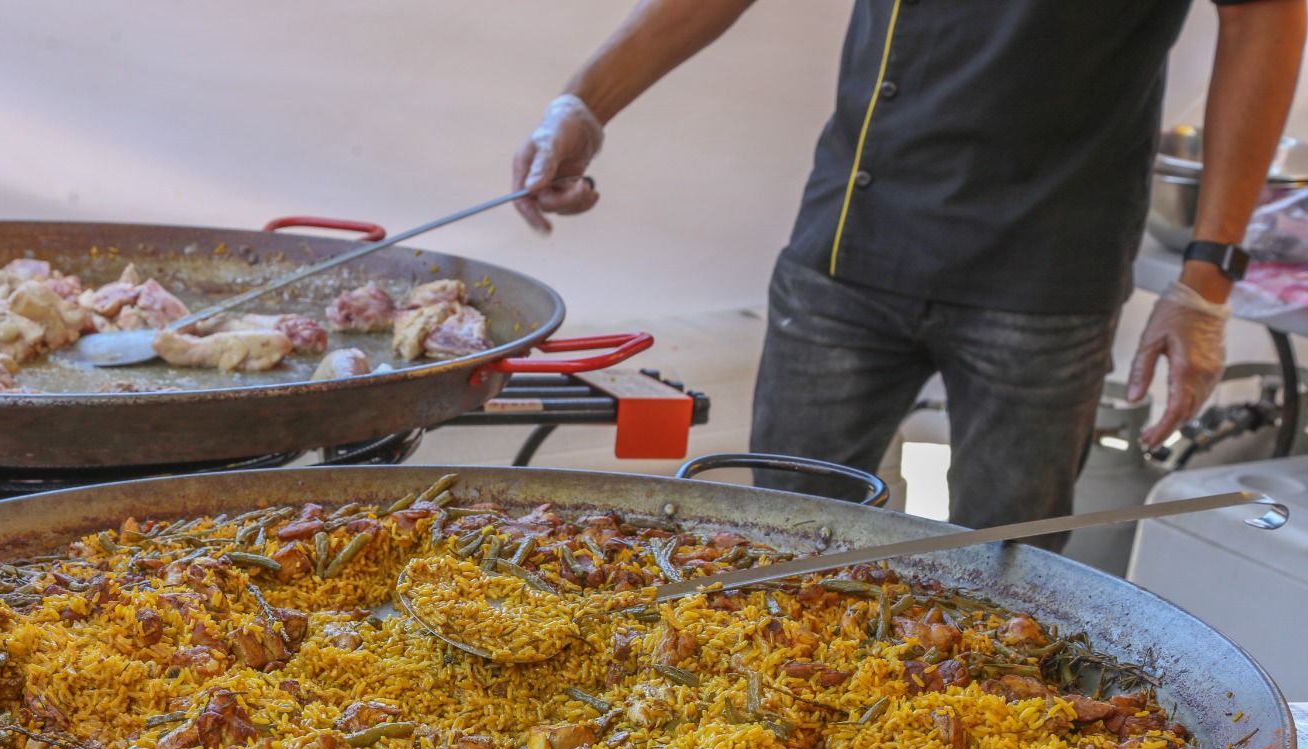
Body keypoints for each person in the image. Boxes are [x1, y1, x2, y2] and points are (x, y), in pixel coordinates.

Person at [511, 0, 1306, 547]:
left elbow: (1263, 14)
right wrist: (583, 105)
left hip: (1046, 271)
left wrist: (1207, 275)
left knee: (1009, 574)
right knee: (777, 540)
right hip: (848, 250)